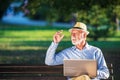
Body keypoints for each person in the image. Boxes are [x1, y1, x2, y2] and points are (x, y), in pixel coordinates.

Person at [45, 22, 110, 80]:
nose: (73, 36)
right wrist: (55, 43)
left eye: (76, 33)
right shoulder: (67, 53)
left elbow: (106, 73)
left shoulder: (95, 51)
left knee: (85, 77)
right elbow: (49, 62)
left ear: (84, 35)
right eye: (72, 34)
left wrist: (91, 72)